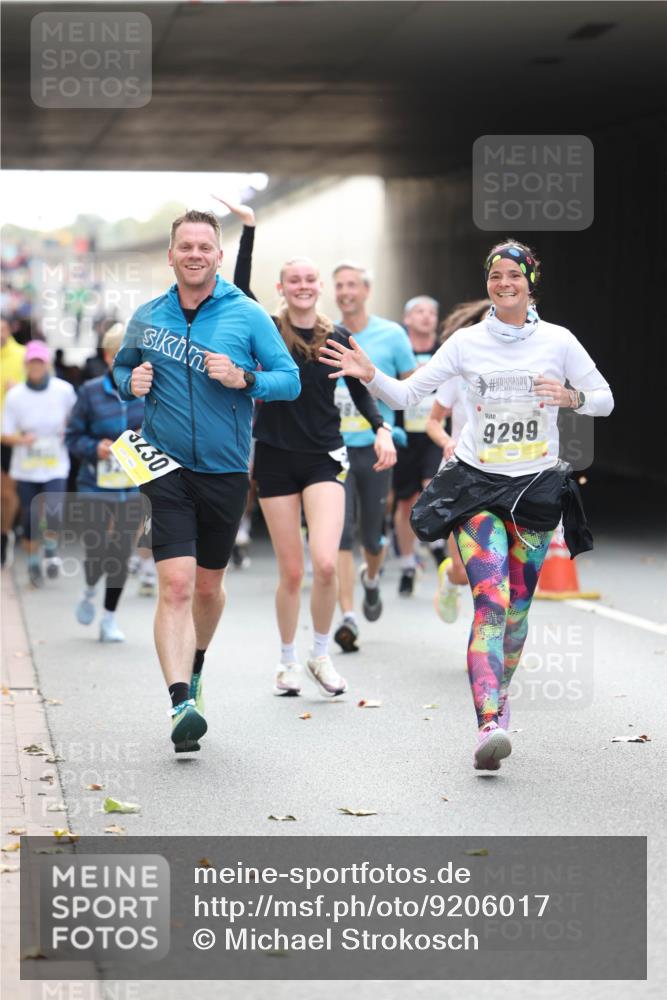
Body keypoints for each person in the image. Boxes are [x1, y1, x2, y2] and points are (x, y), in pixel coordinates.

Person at [321, 240, 614, 771]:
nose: (504, 284)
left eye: (514, 275)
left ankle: (499, 697)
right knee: (491, 602)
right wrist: (370, 374)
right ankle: (488, 724)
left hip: (535, 490)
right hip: (476, 486)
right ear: (488, 283)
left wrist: (571, 397)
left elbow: (605, 400)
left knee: (517, 614)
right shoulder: (466, 343)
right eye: (496, 276)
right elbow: (407, 397)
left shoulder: (559, 341)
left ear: (530, 281)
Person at [112, 209, 300, 754]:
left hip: (225, 471)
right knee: (175, 584)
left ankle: (194, 667)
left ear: (218, 256)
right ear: (171, 255)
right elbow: (120, 369)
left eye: (204, 247)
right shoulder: (148, 316)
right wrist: (130, 381)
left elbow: (289, 380)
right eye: (185, 246)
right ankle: (180, 703)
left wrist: (244, 378)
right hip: (163, 466)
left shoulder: (247, 314)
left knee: (207, 588)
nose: (194, 254)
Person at [252, 256, 395, 697]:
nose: (303, 285)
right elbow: (238, 288)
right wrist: (248, 231)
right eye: (293, 280)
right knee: (292, 572)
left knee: (327, 562)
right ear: (281, 287)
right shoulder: (268, 331)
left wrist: (381, 428)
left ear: (319, 287)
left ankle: (320, 654)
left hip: (323, 457)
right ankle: (286, 661)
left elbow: (359, 388)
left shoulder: (336, 337)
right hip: (275, 457)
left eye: (310, 279)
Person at [332, 262, 415, 653]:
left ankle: (370, 578)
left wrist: (393, 427)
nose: (345, 292)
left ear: (366, 291)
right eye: (339, 286)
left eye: (352, 285)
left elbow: (411, 387)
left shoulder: (392, 335)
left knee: (371, 535)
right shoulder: (328, 335)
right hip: (335, 449)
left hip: (376, 447)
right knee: (340, 532)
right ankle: (348, 617)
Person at [66, 324, 146, 642]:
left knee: (121, 552)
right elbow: (72, 437)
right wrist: (94, 447)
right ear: (109, 356)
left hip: (132, 486)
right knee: (98, 548)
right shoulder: (90, 392)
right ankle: (89, 587)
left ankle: (109, 618)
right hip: (95, 484)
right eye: (122, 354)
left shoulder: (148, 392)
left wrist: (145, 439)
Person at [425, 300, 492, 622]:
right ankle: (451, 579)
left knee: (494, 568)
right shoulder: (459, 370)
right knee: (464, 570)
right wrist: (447, 442)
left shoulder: (523, 370)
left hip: (505, 473)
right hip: (461, 472)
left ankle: (489, 633)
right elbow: (433, 421)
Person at [1, 340, 77, 586]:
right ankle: (34, 563)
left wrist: (69, 430)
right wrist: (22, 439)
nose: (36, 367)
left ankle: (51, 548)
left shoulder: (63, 390)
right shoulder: (15, 395)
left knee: (53, 510)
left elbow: (77, 419)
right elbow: (5, 434)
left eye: (40, 362)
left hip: (55, 463)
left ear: (47, 364)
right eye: (32, 363)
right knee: (30, 517)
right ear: (25, 365)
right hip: (26, 466)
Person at [392, 295, 447, 596]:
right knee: (405, 502)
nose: (426, 317)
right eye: (419, 312)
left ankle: (437, 545)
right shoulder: (399, 352)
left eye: (431, 312)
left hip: (434, 434)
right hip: (405, 436)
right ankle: (407, 566)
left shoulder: (445, 351)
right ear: (407, 319)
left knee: (431, 488)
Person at [1, 317, 25, 567]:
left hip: (11, 435)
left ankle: (5, 534)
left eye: (3, 329)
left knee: (7, 493)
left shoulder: (23, 355)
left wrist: (19, 388)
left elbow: (41, 387)